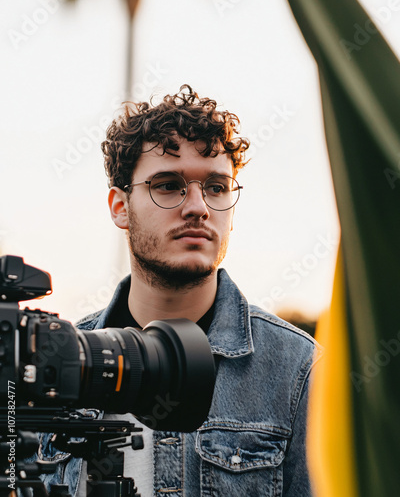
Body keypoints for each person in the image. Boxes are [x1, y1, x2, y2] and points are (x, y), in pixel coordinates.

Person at [38, 85, 321, 496]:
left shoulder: (298, 369)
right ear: (120, 207)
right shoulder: (51, 362)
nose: (198, 207)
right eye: (168, 185)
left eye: (217, 187)